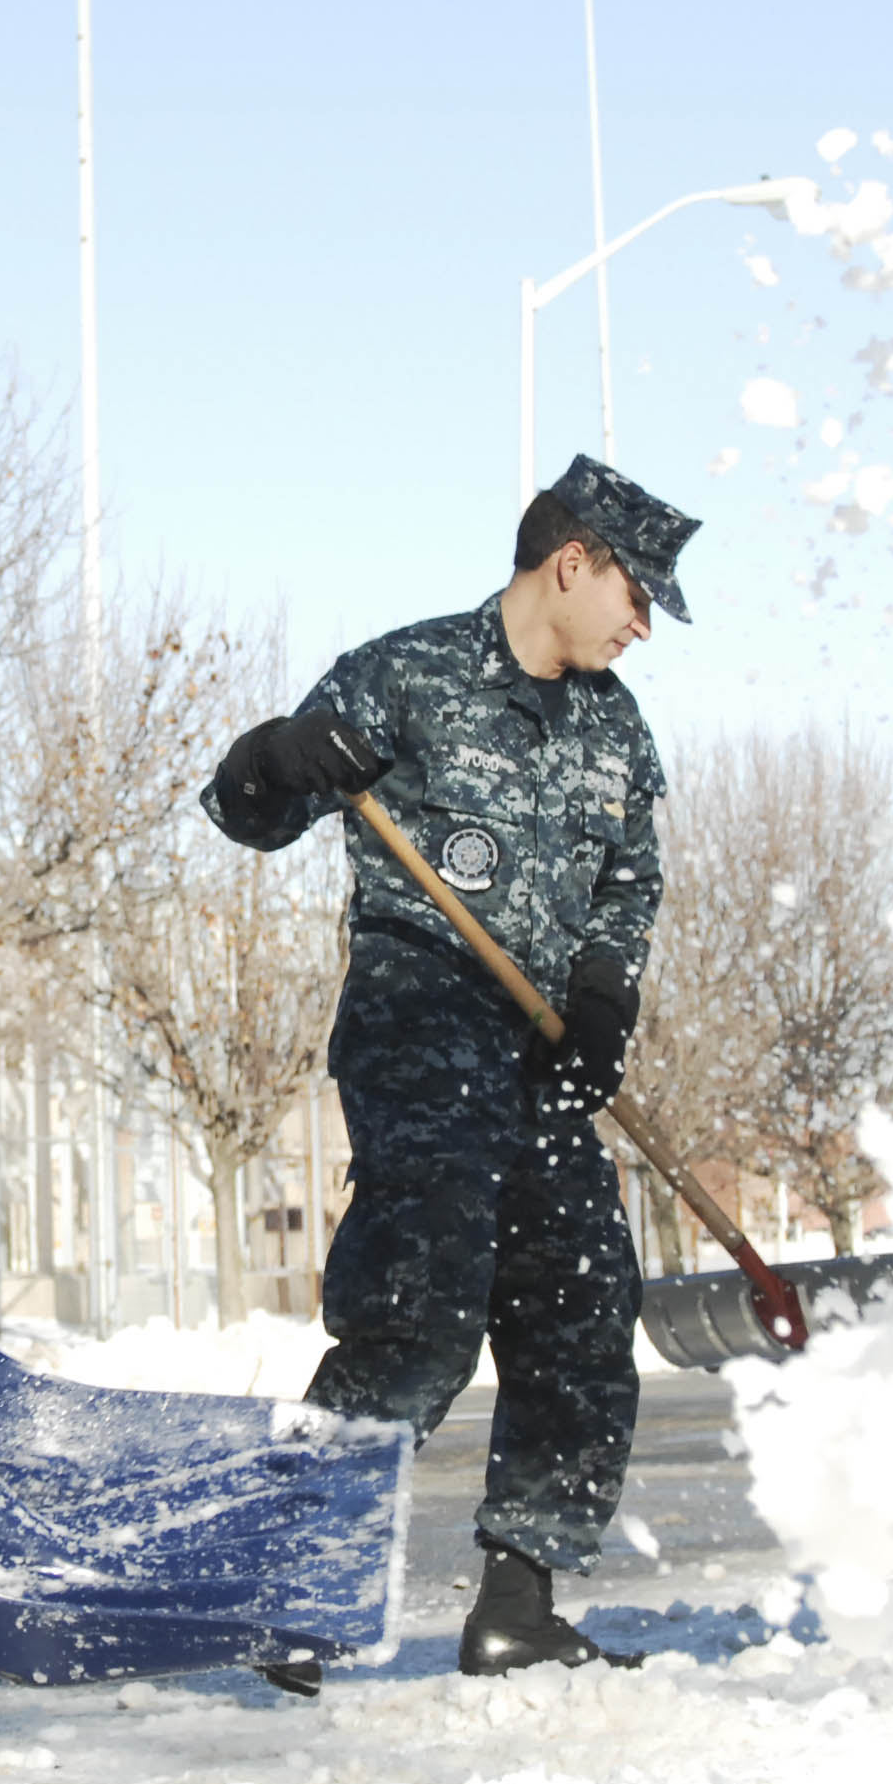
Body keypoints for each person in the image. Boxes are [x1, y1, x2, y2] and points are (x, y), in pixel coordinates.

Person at [202, 456, 693, 1684]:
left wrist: (600, 1003)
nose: (644, 625)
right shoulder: (409, 675)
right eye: (637, 595)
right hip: (421, 1013)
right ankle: (293, 1583)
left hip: (539, 1049)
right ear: (569, 563)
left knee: (583, 1301)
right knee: (419, 1302)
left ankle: (518, 1602)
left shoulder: (615, 726)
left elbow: (630, 884)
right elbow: (249, 812)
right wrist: (273, 757)